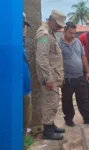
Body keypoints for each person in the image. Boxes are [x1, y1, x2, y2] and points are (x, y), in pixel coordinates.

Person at [59, 22, 89, 126]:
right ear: (64, 31)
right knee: (67, 100)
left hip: (80, 76)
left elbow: (83, 57)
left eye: (74, 33)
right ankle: (69, 119)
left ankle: (88, 118)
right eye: (70, 33)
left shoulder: (77, 42)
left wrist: (87, 72)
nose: (72, 35)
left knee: (83, 99)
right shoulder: (58, 44)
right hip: (67, 79)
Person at [35, 9, 66, 140]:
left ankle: (51, 125)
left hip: (53, 76)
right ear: (51, 20)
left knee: (53, 102)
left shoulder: (51, 33)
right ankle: (47, 131)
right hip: (49, 77)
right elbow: (41, 58)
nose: (59, 28)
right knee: (49, 102)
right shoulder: (44, 34)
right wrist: (48, 78)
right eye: (58, 25)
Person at [23, 12, 32, 140]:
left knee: (25, 123)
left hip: (26, 91)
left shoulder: (21, 42)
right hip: (16, 94)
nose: (24, 29)